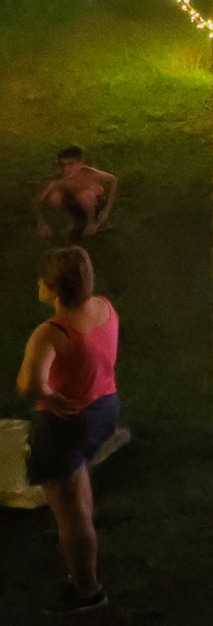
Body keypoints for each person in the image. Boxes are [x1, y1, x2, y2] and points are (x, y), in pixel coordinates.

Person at [16, 247, 119, 615]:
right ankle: (83, 535)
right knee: (77, 474)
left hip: (67, 423)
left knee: (69, 514)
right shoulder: (104, 308)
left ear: (54, 288)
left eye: (42, 279)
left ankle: (86, 589)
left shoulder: (51, 333)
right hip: (104, 409)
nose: (37, 283)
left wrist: (51, 398)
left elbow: (30, 384)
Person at [33, 147, 118, 241]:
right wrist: (41, 221)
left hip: (94, 203)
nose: (66, 169)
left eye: (71, 164)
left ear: (81, 163)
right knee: (54, 196)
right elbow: (37, 200)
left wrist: (107, 209)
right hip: (77, 205)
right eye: (62, 165)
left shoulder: (90, 173)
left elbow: (113, 180)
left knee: (85, 195)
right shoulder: (58, 180)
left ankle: (92, 223)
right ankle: (70, 220)